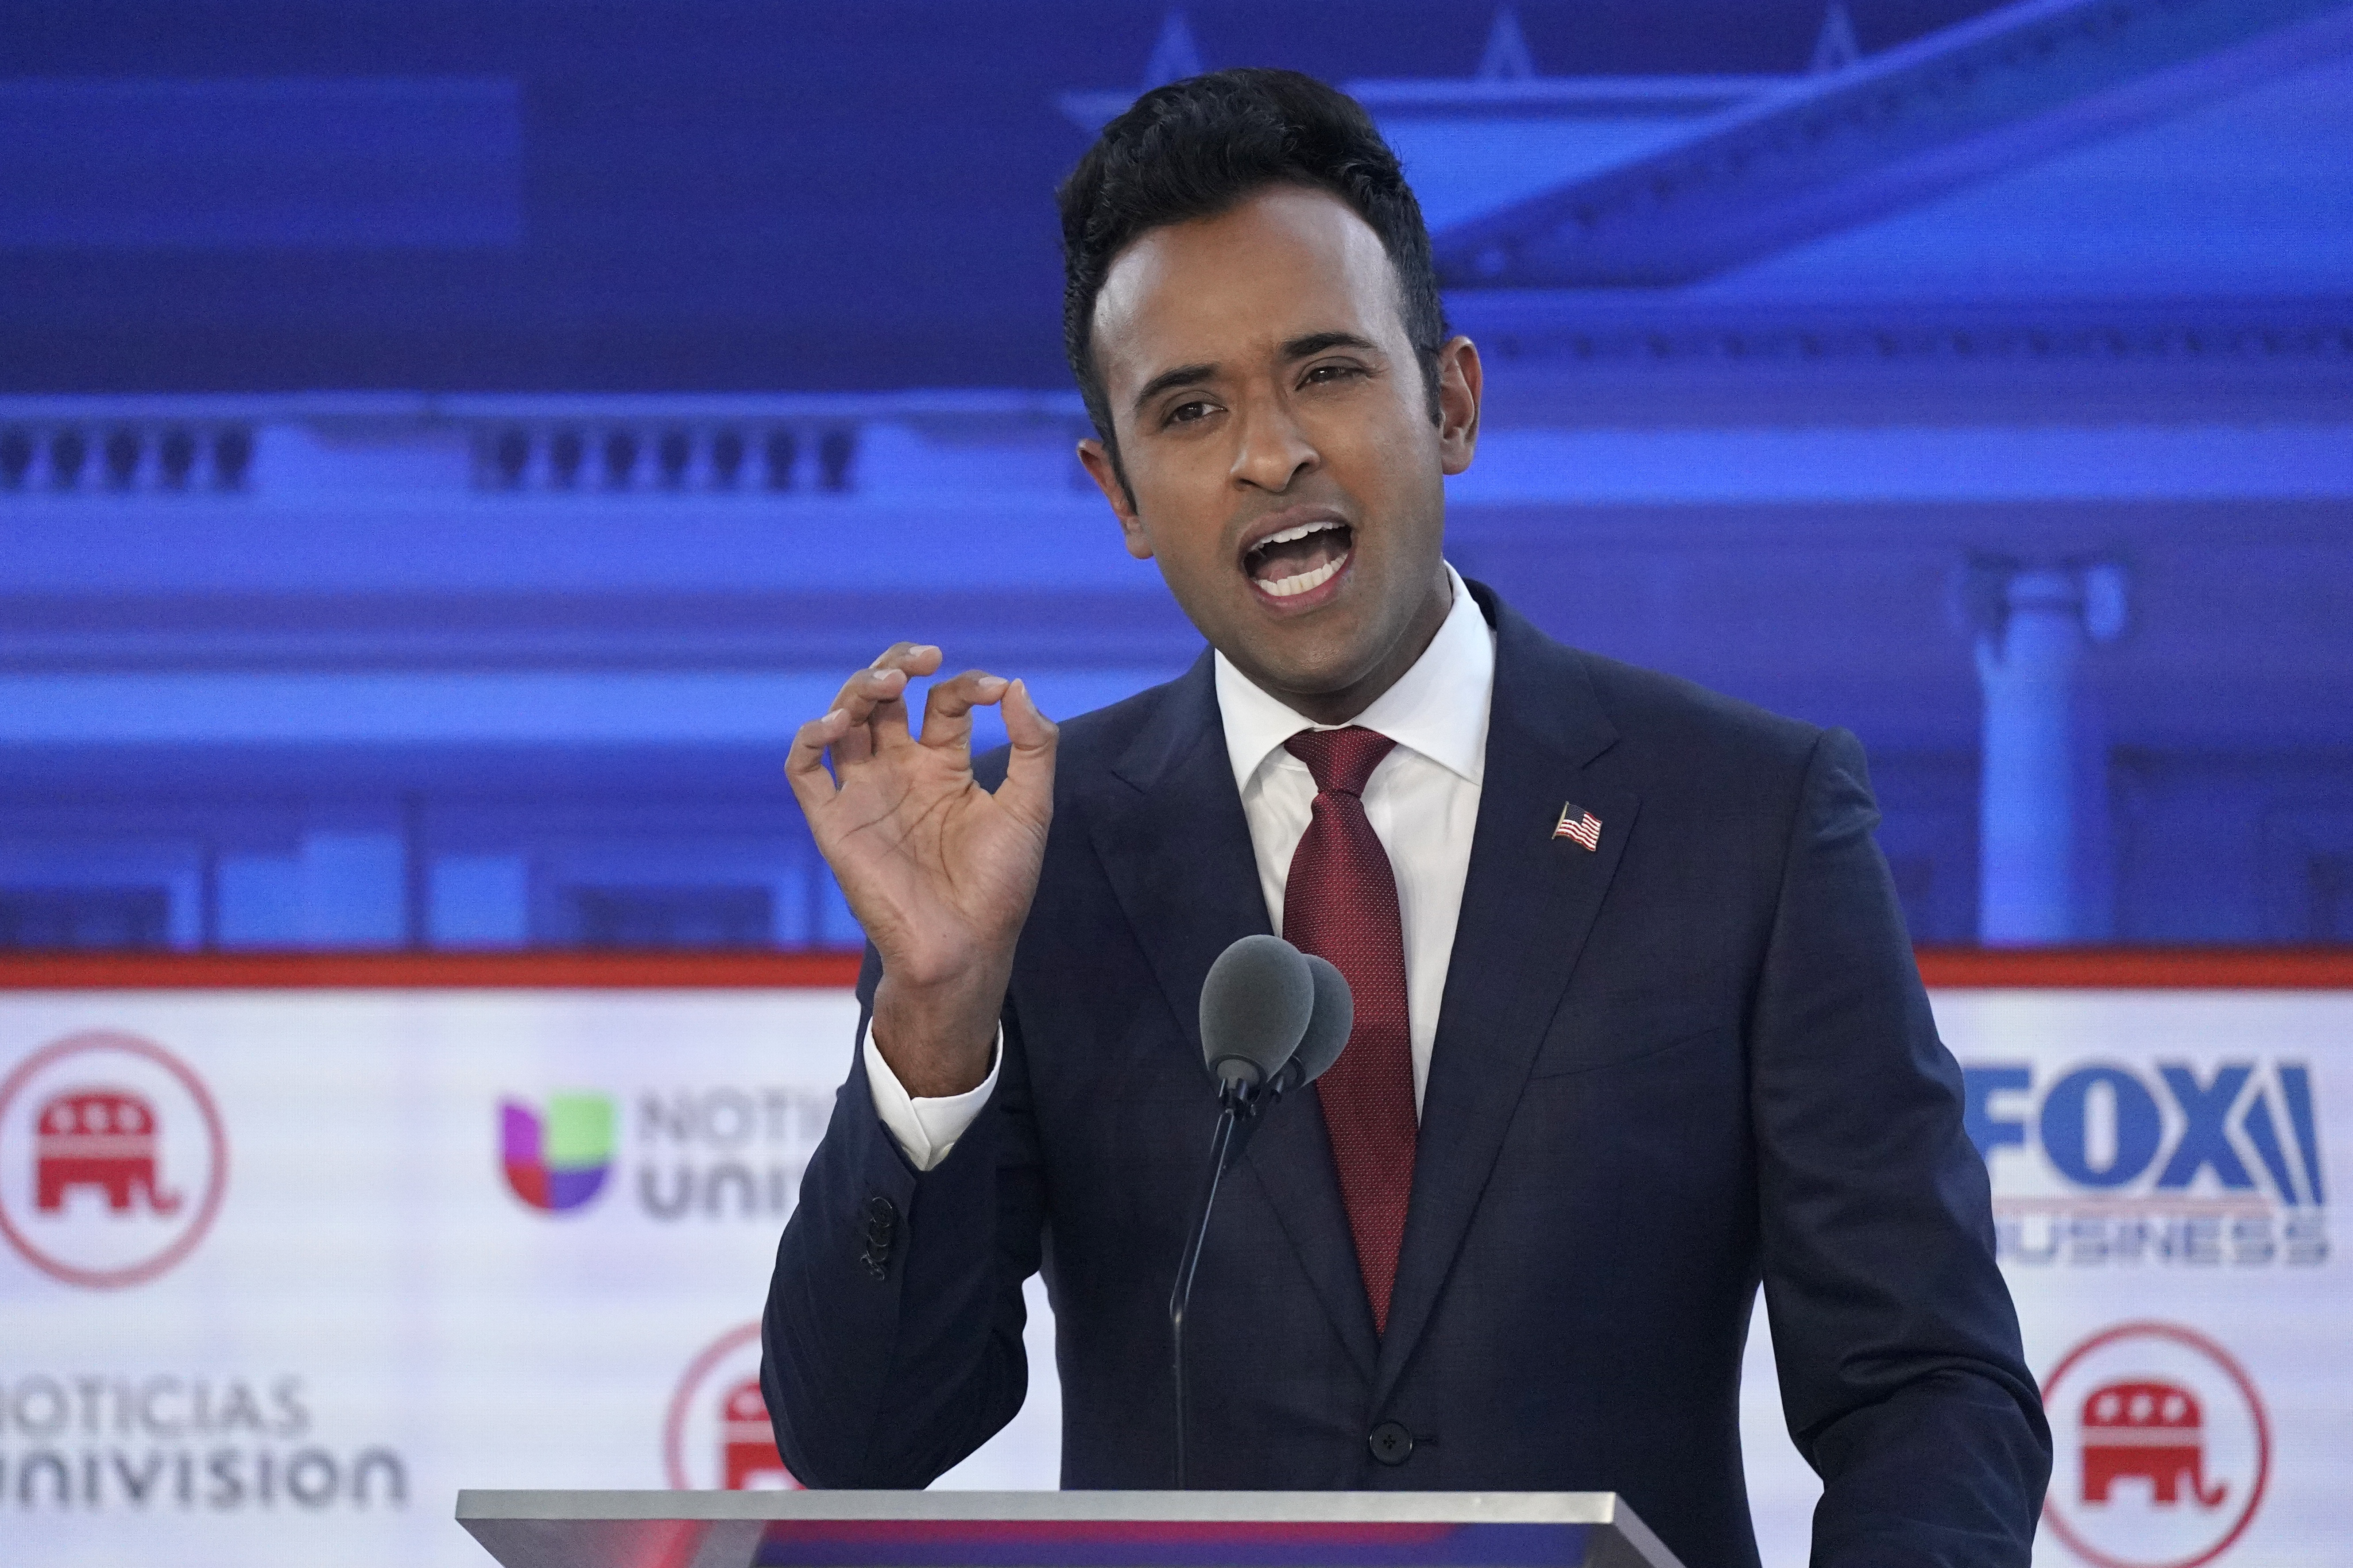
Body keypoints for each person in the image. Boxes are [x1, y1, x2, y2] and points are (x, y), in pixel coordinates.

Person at [762, 68, 2049, 1568]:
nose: (1268, 452)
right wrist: (932, 1015)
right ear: (1118, 498)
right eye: (1190, 410)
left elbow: (1929, 1387)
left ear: (1449, 403)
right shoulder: (1029, 863)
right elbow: (863, 1439)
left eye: (1324, 372)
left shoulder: (1745, 818)